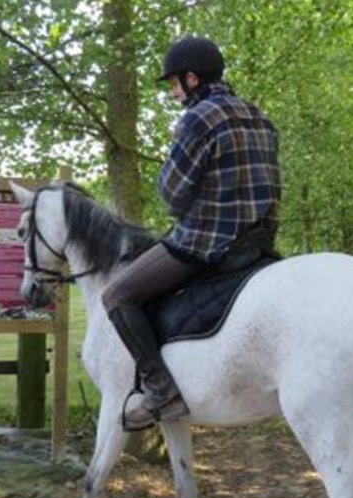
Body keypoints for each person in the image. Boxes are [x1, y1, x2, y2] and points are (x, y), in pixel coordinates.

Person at [102, 36, 281, 431]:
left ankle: (159, 390)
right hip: (260, 244)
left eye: (173, 83)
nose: (172, 92)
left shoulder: (198, 118)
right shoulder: (259, 116)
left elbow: (173, 194)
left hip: (206, 242)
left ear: (192, 78)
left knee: (116, 295)